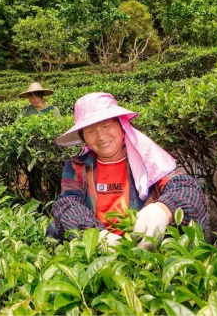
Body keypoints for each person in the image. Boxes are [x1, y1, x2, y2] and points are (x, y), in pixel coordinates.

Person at [46, 92, 208, 249]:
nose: (101, 136)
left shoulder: (150, 159)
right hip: (101, 252)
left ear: (122, 126)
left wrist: (163, 209)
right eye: (91, 131)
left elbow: (186, 188)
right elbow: (68, 204)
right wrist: (95, 235)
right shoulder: (77, 166)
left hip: (145, 248)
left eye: (107, 125)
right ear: (83, 138)